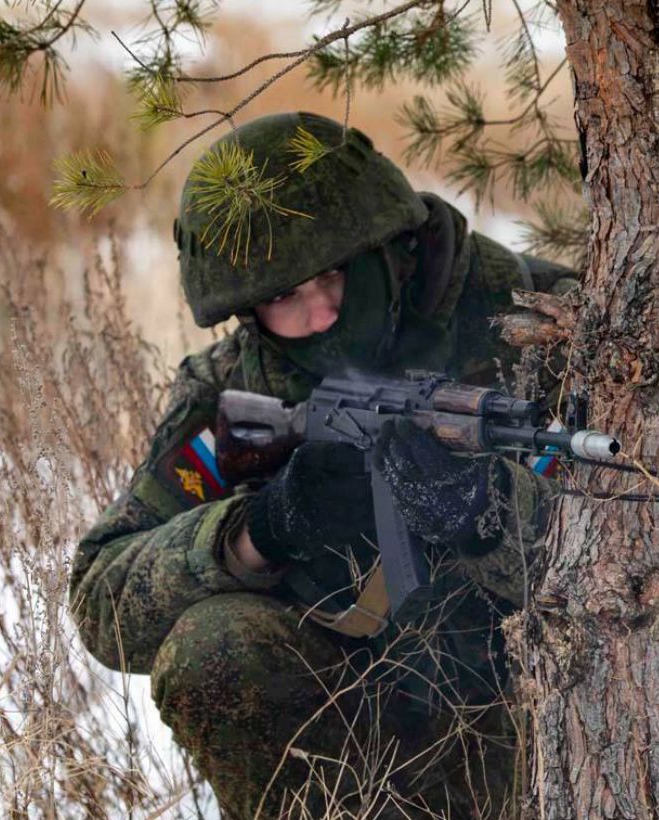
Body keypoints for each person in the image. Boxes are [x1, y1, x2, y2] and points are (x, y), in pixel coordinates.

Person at [69, 111, 578, 819]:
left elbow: (643, 560)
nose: (319, 317)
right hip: (344, 737)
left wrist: (490, 512)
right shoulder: (239, 384)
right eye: (282, 297)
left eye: (334, 276)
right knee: (212, 650)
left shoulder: (545, 326)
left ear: (387, 245)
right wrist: (259, 531)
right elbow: (104, 605)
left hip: (528, 718)